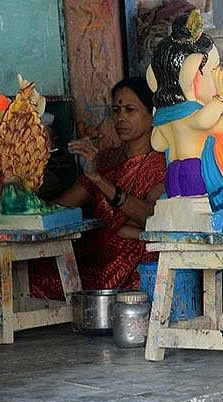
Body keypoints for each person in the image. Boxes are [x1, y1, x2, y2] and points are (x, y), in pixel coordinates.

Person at [29, 77, 166, 297]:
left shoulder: (161, 164)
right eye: (116, 110)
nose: (121, 118)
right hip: (97, 254)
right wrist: (24, 200)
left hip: (132, 260)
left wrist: (99, 180)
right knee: (33, 272)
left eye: (130, 110)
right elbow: (63, 205)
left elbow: (151, 219)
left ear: (152, 116)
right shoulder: (105, 159)